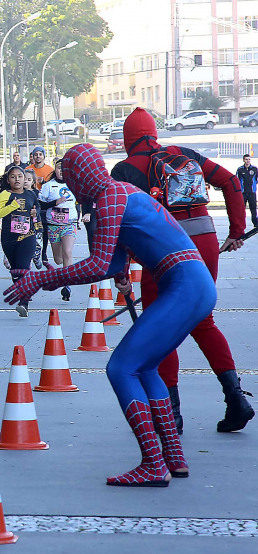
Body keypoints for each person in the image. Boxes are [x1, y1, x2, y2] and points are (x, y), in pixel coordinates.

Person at [4, 143, 215, 487]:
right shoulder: (122, 192)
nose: (71, 186)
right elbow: (114, 261)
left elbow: (100, 262)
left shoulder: (109, 197)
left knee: (121, 368)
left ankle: (153, 463)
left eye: (71, 178)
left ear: (80, 176)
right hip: (194, 283)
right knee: (145, 366)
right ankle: (173, 458)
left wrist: (44, 277)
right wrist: (121, 269)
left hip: (182, 285)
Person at [111, 107, 252, 434]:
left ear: (128, 139)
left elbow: (116, 224)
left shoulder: (125, 169)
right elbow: (231, 182)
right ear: (154, 132)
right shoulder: (183, 154)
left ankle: (170, 416)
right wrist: (236, 230)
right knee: (203, 321)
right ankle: (236, 399)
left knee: (160, 328)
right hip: (203, 241)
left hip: (165, 251)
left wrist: (121, 270)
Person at [0, 166, 38, 317]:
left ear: (25, 179)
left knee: (24, 267)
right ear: (8, 180)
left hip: (27, 235)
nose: (17, 179)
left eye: (20, 176)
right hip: (9, 238)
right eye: (13, 177)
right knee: (16, 271)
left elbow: (38, 214)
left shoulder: (31, 194)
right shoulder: (5, 195)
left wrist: (35, 216)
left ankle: (24, 303)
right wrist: (12, 206)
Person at [39, 158, 78, 301]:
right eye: (58, 168)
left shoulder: (74, 184)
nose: (61, 170)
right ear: (55, 170)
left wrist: (86, 213)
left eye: (64, 168)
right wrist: (55, 202)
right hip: (53, 225)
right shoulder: (48, 186)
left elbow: (84, 200)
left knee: (67, 252)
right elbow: (40, 205)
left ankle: (67, 284)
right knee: (58, 259)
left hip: (69, 224)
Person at [236, 154, 258, 228]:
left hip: (252, 193)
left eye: (249, 159)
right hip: (243, 193)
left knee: (253, 208)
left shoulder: (254, 169)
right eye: (246, 159)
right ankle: (241, 224)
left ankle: (255, 223)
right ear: (243, 160)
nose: (248, 161)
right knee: (241, 209)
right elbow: (236, 180)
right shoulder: (240, 169)